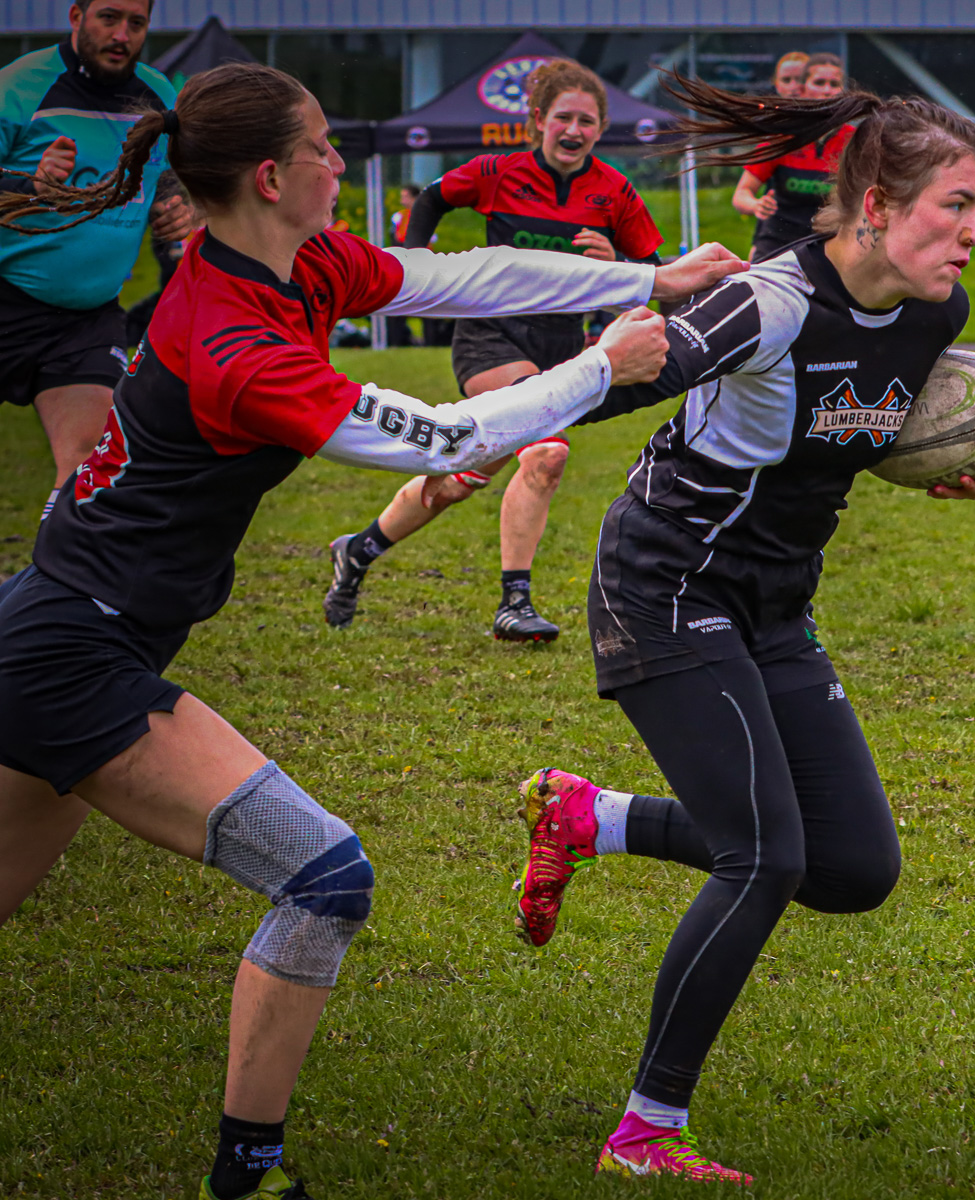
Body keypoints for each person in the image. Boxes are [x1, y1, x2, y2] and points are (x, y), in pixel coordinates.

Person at [0, 61, 741, 1200]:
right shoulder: (232, 340)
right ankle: (250, 1175)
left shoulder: (297, 262)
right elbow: (444, 439)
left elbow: (464, 272)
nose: (339, 164)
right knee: (326, 877)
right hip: (74, 656)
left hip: (62, 630)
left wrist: (650, 275)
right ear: (270, 176)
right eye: (322, 148)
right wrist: (603, 365)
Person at [507, 77, 975, 1184]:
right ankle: (645, 1133)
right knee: (766, 859)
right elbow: (621, 384)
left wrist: (939, 465)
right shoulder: (769, 302)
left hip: (776, 603)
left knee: (853, 867)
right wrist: (466, 428)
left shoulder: (938, 313)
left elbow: (846, 422)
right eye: (957, 206)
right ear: (876, 205)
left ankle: (591, 817)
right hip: (665, 585)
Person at [323, 59, 666, 643]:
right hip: (490, 336)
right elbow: (430, 199)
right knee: (546, 455)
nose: (574, 130)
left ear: (601, 129)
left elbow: (654, 274)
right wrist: (414, 266)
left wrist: (618, 266)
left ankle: (359, 549)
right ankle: (515, 601)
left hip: (559, 347)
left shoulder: (615, 191)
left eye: (586, 121)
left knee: (460, 476)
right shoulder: (498, 172)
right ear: (539, 119)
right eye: (563, 117)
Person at [0, 0, 193, 516]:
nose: (122, 34)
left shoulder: (159, 96)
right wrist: (30, 186)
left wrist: (175, 206)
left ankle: (55, 569)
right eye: (109, 17)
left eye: (137, 23)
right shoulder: (20, 86)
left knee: (91, 462)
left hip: (84, 319)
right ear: (75, 16)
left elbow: (168, 174)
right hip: (5, 297)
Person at [729, 52, 851, 261]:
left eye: (834, 84)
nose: (827, 90)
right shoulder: (781, 137)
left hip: (828, 246)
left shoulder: (853, 140)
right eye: (819, 82)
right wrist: (756, 205)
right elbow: (741, 195)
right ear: (803, 89)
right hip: (777, 243)